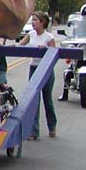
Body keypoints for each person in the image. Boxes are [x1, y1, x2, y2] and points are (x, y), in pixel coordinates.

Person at [18, 11, 57, 139]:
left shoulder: (49, 37)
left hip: (46, 69)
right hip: (34, 67)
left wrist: (45, 49)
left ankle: (52, 126)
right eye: (32, 20)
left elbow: (54, 55)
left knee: (47, 99)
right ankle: (33, 132)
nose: (33, 22)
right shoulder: (30, 35)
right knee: (34, 99)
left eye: (35, 20)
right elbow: (20, 46)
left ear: (42, 22)